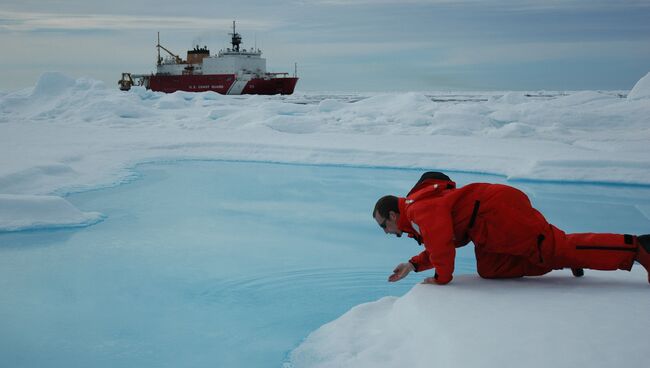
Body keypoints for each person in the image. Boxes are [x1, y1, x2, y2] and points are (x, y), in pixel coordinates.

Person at [373, 172, 650, 285]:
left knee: (555, 248)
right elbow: (440, 242)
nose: (385, 231)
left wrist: (442, 279)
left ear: (393, 214)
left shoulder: (418, 210)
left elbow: (443, 246)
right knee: (491, 270)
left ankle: (637, 247)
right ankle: (560, 260)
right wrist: (412, 264)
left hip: (498, 213)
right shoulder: (416, 212)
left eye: (384, 224)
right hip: (487, 227)